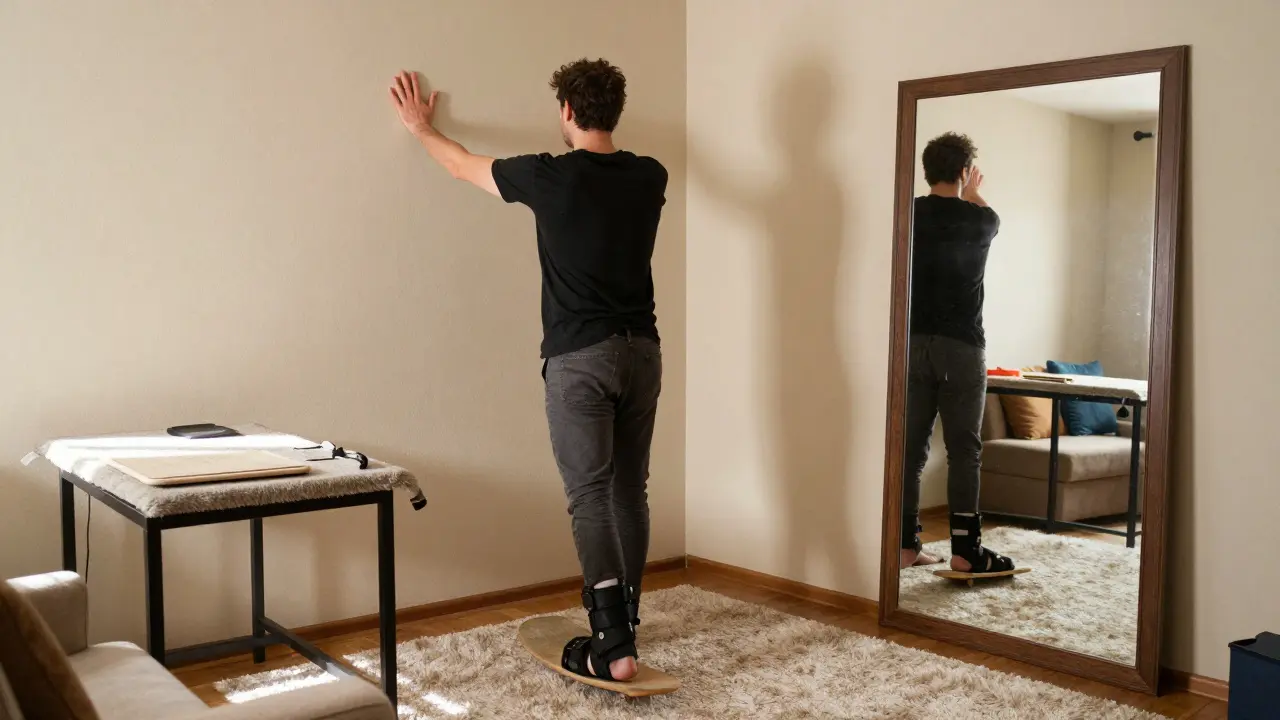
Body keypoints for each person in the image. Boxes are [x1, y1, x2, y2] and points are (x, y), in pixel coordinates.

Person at [388, 59, 666, 682]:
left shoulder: (550, 177)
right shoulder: (651, 176)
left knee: (589, 494)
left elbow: (461, 164)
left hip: (579, 357)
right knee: (629, 491)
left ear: (567, 111)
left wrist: (418, 128)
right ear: (614, 112)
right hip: (641, 352)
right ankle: (625, 619)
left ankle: (613, 648)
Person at [900, 132, 1015, 577]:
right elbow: (989, 215)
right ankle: (967, 550)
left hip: (910, 343)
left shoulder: (906, 213)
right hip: (963, 347)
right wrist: (972, 192)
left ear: (927, 171)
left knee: (910, 450)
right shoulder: (981, 220)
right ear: (964, 171)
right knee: (964, 450)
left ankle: (905, 546)